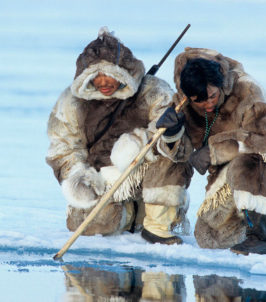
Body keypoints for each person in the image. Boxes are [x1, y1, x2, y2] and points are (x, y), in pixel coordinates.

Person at [45, 27, 193, 245]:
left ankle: (158, 224)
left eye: (110, 75)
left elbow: (178, 145)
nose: (103, 83)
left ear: (123, 72)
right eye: (96, 77)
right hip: (101, 181)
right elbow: (62, 147)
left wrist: (168, 133)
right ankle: (132, 214)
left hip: (143, 170)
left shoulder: (152, 91)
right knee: (96, 225)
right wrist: (81, 180)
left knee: (170, 158)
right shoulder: (72, 101)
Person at [156, 47, 266, 255]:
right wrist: (171, 133)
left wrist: (212, 152)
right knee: (211, 237)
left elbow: (263, 142)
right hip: (230, 155)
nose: (208, 104)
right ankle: (250, 221)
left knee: (253, 163)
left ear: (220, 84)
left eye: (213, 96)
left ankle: (264, 233)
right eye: (200, 100)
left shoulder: (248, 91)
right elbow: (182, 155)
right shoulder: (182, 103)